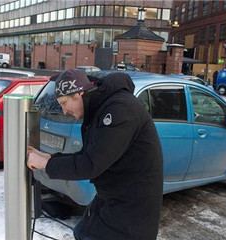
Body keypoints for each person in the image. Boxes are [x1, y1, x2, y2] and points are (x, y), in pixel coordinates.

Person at [27, 69, 163, 240]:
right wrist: (49, 158)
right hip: (112, 199)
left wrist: (47, 164)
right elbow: (86, 155)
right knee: (81, 233)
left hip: (131, 212)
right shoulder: (100, 110)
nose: (63, 111)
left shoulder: (120, 110)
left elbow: (90, 164)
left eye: (63, 103)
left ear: (78, 94)